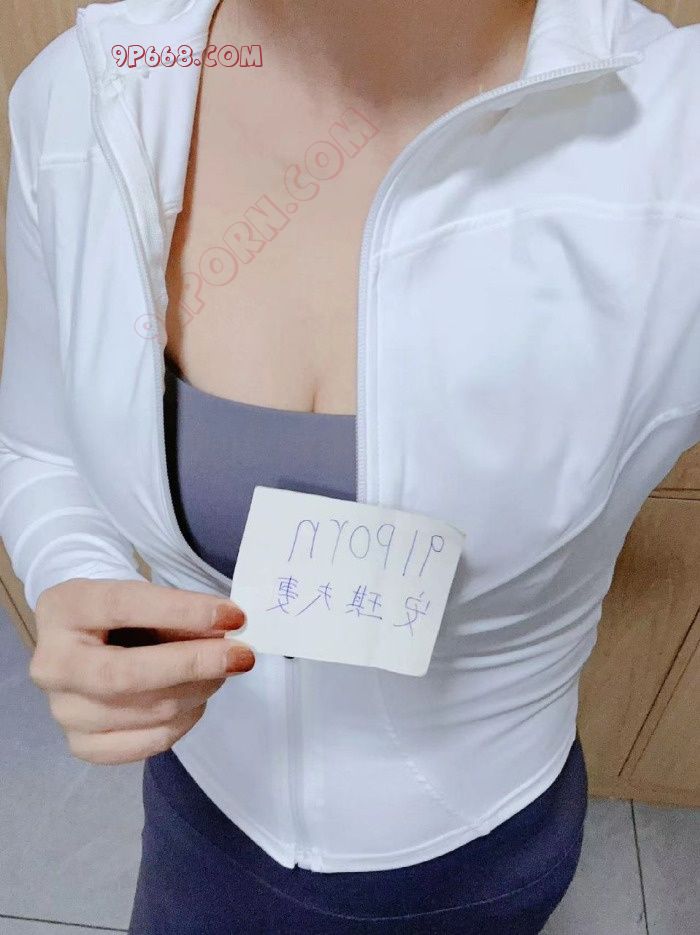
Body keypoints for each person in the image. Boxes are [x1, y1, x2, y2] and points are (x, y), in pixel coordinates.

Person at [2, 0, 699, 932]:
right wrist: (75, 577)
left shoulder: (675, 143)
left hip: (474, 852)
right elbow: (39, 449)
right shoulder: (88, 93)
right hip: (198, 804)